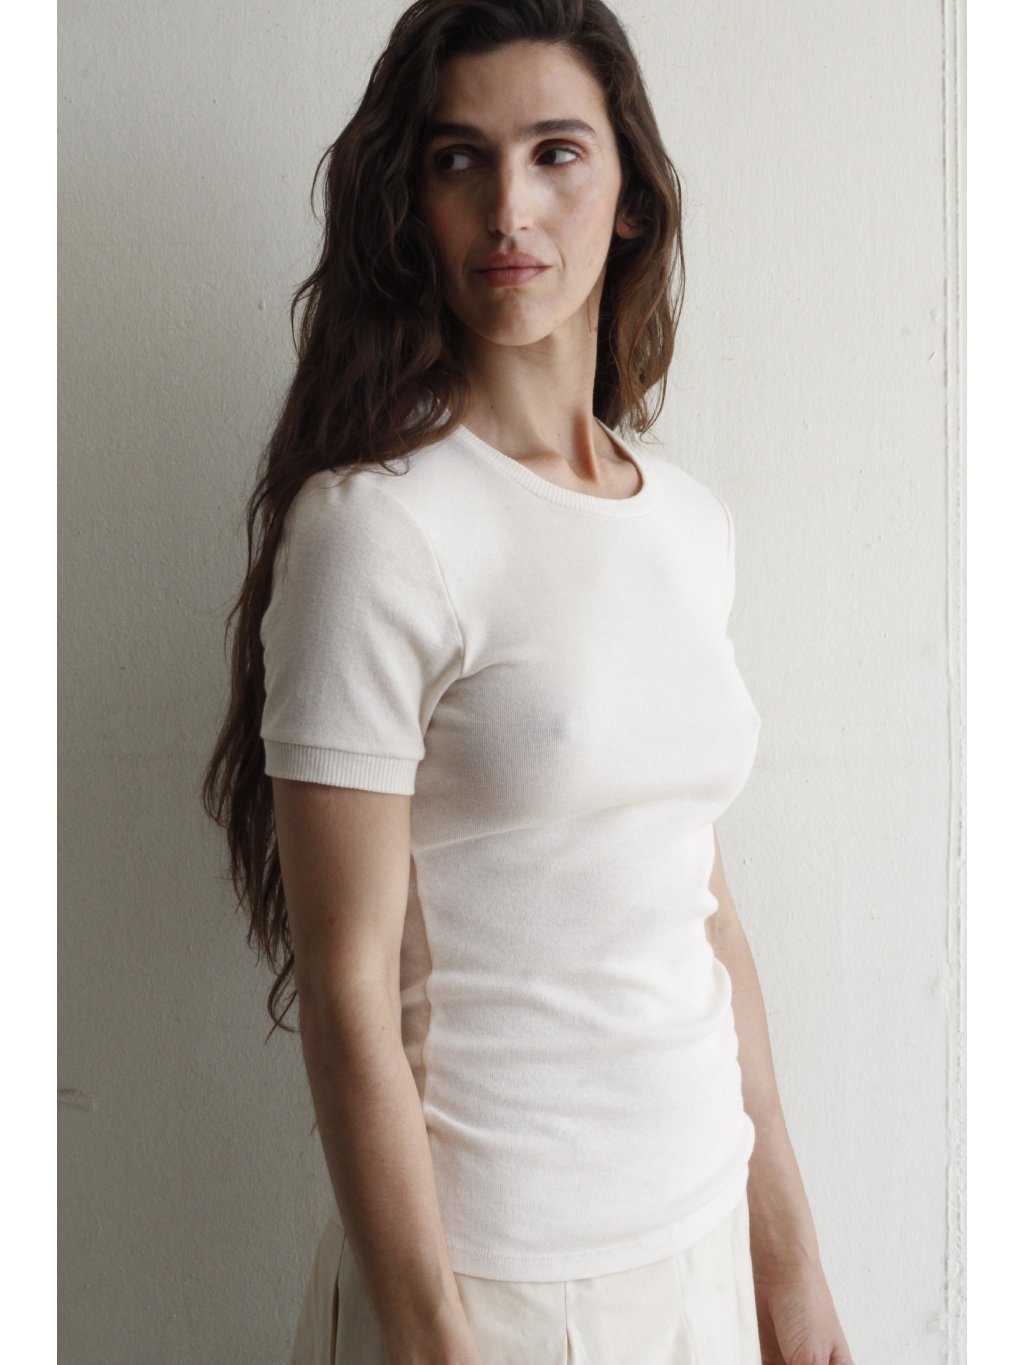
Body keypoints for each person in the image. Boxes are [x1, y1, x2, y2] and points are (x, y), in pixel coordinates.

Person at [202, 2, 855, 1361]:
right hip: (494, 1284)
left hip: (699, 1241)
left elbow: (704, 913)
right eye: (460, 159)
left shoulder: (687, 521)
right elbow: (346, 991)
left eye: (556, 153)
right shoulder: (379, 531)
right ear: (413, 204)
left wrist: (787, 1260)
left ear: (630, 196)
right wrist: (433, 1337)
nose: (509, 208)